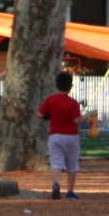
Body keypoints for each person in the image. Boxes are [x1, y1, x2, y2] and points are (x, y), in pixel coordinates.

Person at [38, 71, 85, 200]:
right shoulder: (73, 103)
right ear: (70, 86)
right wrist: (87, 117)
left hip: (55, 135)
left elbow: (40, 114)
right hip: (71, 136)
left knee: (56, 162)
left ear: (56, 85)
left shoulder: (50, 100)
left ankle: (56, 184)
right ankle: (70, 191)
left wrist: (50, 116)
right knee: (72, 163)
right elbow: (76, 120)